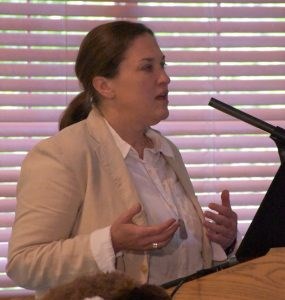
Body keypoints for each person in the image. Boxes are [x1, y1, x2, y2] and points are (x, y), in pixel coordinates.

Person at [6, 20, 238, 299]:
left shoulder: (166, 152)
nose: (164, 78)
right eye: (147, 67)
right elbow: (25, 264)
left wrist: (220, 242)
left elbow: (181, 264)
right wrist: (110, 242)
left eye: (162, 64)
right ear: (105, 86)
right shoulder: (62, 155)